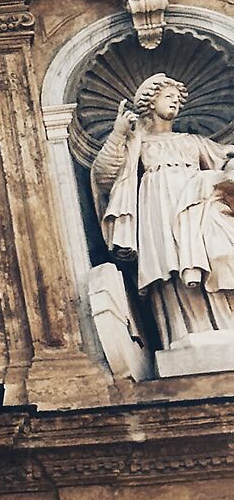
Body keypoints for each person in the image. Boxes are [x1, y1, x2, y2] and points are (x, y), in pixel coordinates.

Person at [91, 73, 234, 347]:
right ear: (150, 101)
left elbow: (225, 157)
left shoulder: (193, 141)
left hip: (196, 206)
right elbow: (104, 176)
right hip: (157, 209)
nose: (175, 104)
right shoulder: (137, 142)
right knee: (170, 266)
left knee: (209, 259)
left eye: (178, 100)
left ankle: (226, 327)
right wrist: (120, 133)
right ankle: (183, 334)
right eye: (168, 97)